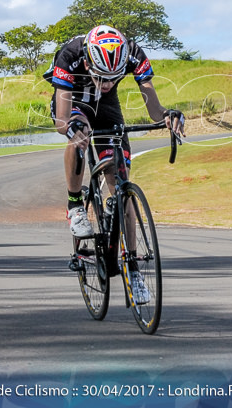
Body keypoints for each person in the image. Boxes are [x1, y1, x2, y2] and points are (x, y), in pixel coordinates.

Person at [45, 24, 185, 301]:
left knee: (122, 187)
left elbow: (154, 109)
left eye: (114, 77)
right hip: (75, 102)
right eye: (101, 76)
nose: (107, 82)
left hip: (107, 107)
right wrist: (72, 128)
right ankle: (75, 205)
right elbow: (62, 121)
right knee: (78, 134)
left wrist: (167, 116)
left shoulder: (133, 53)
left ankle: (132, 268)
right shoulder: (70, 55)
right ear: (87, 61)